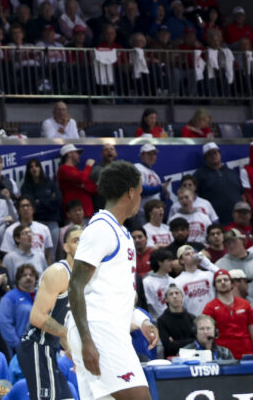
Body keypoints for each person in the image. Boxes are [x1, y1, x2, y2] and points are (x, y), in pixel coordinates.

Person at [66, 161, 159, 400]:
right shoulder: (100, 228)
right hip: (98, 331)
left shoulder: (122, 232)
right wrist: (87, 341)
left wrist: (141, 321)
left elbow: (115, 294)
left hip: (111, 330)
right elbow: (75, 286)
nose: (140, 199)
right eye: (139, 192)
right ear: (130, 192)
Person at [20, 226, 82, 400]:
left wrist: (73, 353)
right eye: (76, 241)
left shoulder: (82, 278)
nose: (82, 244)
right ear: (66, 247)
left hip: (51, 347)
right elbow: (37, 317)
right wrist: (68, 335)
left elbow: (60, 322)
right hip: (36, 346)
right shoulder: (58, 273)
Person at [200, 269, 253, 359]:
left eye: (226, 280)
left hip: (246, 353)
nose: (223, 283)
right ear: (215, 286)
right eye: (219, 281)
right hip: (223, 356)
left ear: (232, 284)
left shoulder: (245, 304)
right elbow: (206, 334)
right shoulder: (210, 307)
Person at [194, 143, 244, 224]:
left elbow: (242, 194)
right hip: (215, 222)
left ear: (219, 154)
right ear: (205, 158)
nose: (213, 155)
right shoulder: (199, 175)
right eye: (209, 154)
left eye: (215, 152)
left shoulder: (231, 172)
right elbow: (195, 198)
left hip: (236, 220)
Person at [216, 231, 253, 309]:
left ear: (243, 240)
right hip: (231, 313)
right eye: (228, 243)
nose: (231, 245)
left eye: (234, 241)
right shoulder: (219, 266)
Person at [0, 266, 37, 357]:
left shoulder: (42, 296)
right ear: (18, 279)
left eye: (31, 275)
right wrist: (17, 345)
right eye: (24, 275)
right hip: (21, 348)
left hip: (42, 346)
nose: (28, 277)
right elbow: (5, 324)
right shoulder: (9, 298)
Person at [18, 160, 63, 243]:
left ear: (40, 168)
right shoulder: (26, 187)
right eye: (31, 167)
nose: (34, 169)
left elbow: (57, 201)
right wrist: (48, 200)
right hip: (37, 222)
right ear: (28, 170)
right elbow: (31, 206)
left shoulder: (50, 183)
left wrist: (39, 201)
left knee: (52, 253)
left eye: (36, 166)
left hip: (52, 221)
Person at [56, 146, 97, 221]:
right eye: (76, 153)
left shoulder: (77, 171)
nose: (79, 155)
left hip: (87, 213)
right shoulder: (63, 169)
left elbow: (94, 188)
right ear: (69, 154)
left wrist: (83, 185)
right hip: (73, 215)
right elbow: (81, 179)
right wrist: (88, 166)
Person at [172, 246, 214, 317]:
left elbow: (224, 275)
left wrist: (207, 263)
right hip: (192, 319)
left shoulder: (209, 274)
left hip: (212, 317)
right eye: (187, 254)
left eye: (193, 253)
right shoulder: (177, 282)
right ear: (182, 260)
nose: (192, 255)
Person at [156, 286, 196, 358]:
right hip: (172, 360)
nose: (174, 296)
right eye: (171, 294)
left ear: (182, 296)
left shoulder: (192, 318)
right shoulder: (161, 320)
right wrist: (190, 341)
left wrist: (175, 343)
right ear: (166, 299)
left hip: (192, 357)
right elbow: (168, 346)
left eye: (177, 293)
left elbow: (197, 341)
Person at [140, 250, 175, 321]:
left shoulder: (172, 280)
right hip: (157, 321)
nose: (172, 263)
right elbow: (150, 305)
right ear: (160, 262)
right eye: (169, 260)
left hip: (173, 320)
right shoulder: (147, 282)